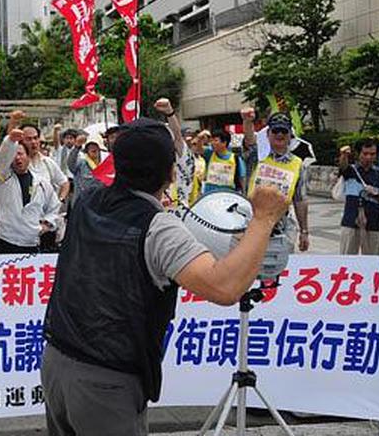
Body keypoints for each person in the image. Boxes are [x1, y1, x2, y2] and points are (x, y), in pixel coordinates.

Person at [42, 118, 289, 436]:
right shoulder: (157, 227)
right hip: (106, 381)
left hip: (56, 363)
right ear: (171, 172)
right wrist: (264, 219)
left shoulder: (89, 199)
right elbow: (224, 286)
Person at [241, 109, 310, 252]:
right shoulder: (257, 155)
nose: (280, 134)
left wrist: (304, 231)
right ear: (268, 134)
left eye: (284, 131)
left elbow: (300, 200)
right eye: (275, 130)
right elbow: (249, 141)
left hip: (282, 226)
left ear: (290, 135)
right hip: (252, 222)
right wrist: (247, 121)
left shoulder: (298, 164)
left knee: (281, 268)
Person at [0, 131, 62, 253]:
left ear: (28, 156)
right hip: (5, 241)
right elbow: (0, 161)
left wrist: (47, 225)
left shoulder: (42, 183)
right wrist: (10, 140)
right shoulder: (2, 179)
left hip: (31, 242)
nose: (17, 158)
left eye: (20, 154)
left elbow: (54, 207)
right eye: (13, 155)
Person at [337, 139, 379, 255]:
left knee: (371, 261)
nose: (368, 157)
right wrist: (344, 155)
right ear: (358, 154)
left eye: (372, 154)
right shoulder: (351, 171)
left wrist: (377, 196)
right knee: (346, 259)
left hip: (374, 222)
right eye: (365, 153)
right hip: (351, 220)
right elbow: (343, 166)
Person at [202, 128, 247, 195]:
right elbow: (196, 147)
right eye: (211, 141)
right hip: (210, 196)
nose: (212, 143)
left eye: (215, 140)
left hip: (228, 196)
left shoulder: (236, 159)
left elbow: (242, 178)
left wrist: (244, 194)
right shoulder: (209, 154)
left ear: (224, 142)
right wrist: (200, 136)